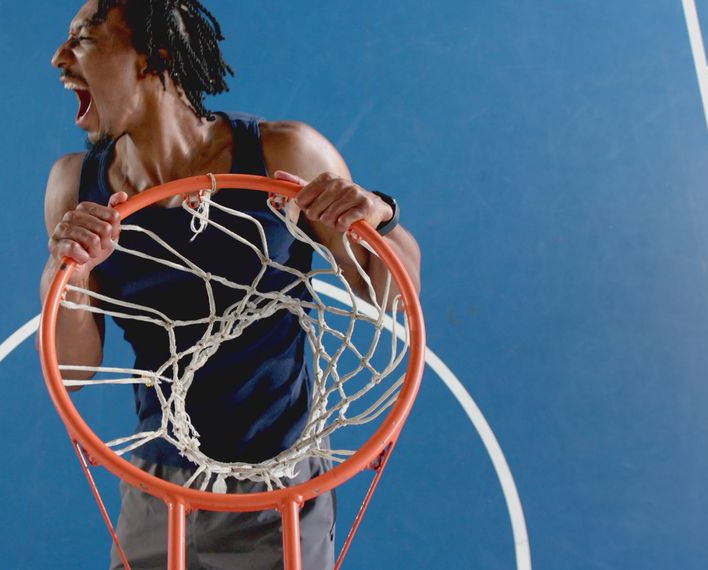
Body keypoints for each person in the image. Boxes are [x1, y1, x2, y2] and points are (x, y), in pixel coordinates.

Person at [40, 1, 422, 568]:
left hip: (279, 485)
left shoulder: (280, 153)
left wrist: (380, 219)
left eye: (84, 37)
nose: (58, 57)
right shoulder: (77, 184)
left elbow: (388, 295)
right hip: (157, 479)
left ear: (156, 54)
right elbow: (71, 369)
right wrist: (70, 271)